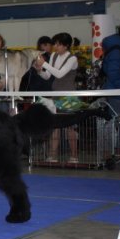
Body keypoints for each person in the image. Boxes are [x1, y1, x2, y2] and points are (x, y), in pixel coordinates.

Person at [35, 32, 79, 163]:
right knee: (55, 126)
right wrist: (39, 70)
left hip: (69, 96)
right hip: (55, 95)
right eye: (55, 44)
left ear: (66, 46)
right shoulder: (53, 56)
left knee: (70, 127)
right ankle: (52, 155)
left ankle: (74, 156)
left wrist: (44, 64)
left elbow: (59, 74)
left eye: (58, 44)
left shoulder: (72, 59)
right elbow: (48, 76)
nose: (55, 47)